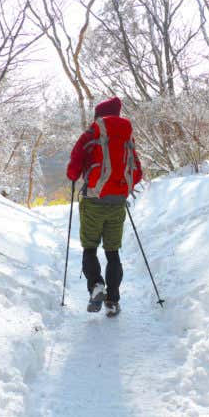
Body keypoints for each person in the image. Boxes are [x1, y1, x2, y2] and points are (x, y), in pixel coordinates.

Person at [66, 97, 142, 315]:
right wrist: (119, 187)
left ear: (98, 115)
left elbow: (74, 164)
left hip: (93, 201)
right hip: (118, 203)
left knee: (90, 247)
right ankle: (113, 300)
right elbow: (137, 172)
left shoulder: (93, 132)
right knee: (112, 251)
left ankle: (96, 285)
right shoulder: (128, 136)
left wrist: (76, 176)